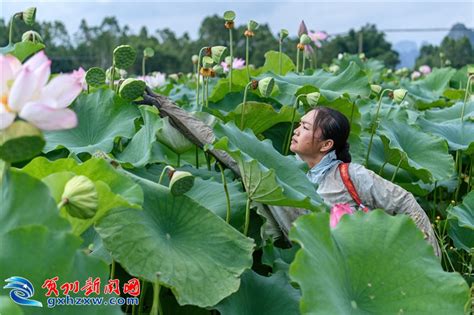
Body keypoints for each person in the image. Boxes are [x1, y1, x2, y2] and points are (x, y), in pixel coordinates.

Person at [289, 106, 441, 257]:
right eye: (299, 124)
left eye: (305, 127)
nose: (297, 131)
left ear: (326, 145)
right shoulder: (289, 174)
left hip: (355, 264)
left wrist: (427, 258)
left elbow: (404, 202)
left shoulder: (351, 175)